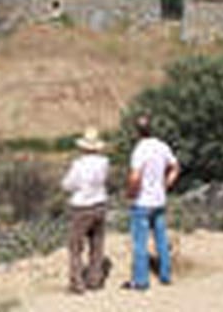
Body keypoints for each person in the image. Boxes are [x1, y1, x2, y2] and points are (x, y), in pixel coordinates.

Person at [123, 114, 179, 291]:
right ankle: (165, 275)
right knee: (161, 239)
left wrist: (131, 193)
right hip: (159, 200)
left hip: (143, 201)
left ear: (136, 132)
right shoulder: (162, 146)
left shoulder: (139, 150)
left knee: (140, 242)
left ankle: (141, 281)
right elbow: (175, 167)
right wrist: (166, 184)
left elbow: (134, 176)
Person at [60, 127, 111, 294]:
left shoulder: (79, 165)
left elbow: (68, 184)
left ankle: (77, 283)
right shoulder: (104, 162)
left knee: (75, 246)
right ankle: (95, 280)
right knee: (97, 244)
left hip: (82, 207)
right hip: (100, 204)